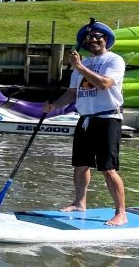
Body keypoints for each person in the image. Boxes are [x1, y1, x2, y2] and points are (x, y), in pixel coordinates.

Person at [45, 18, 127, 226]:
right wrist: (53, 106)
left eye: (97, 37)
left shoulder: (114, 60)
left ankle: (121, 212)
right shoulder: (81, 65)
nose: (92, 40)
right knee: (80, 165)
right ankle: (80, 203)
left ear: (105, 39)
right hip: (85, 120)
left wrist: (79, 66)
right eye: (88, 38)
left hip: (108, 118)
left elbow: (104, 83)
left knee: (107, 168)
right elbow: (72, 94)